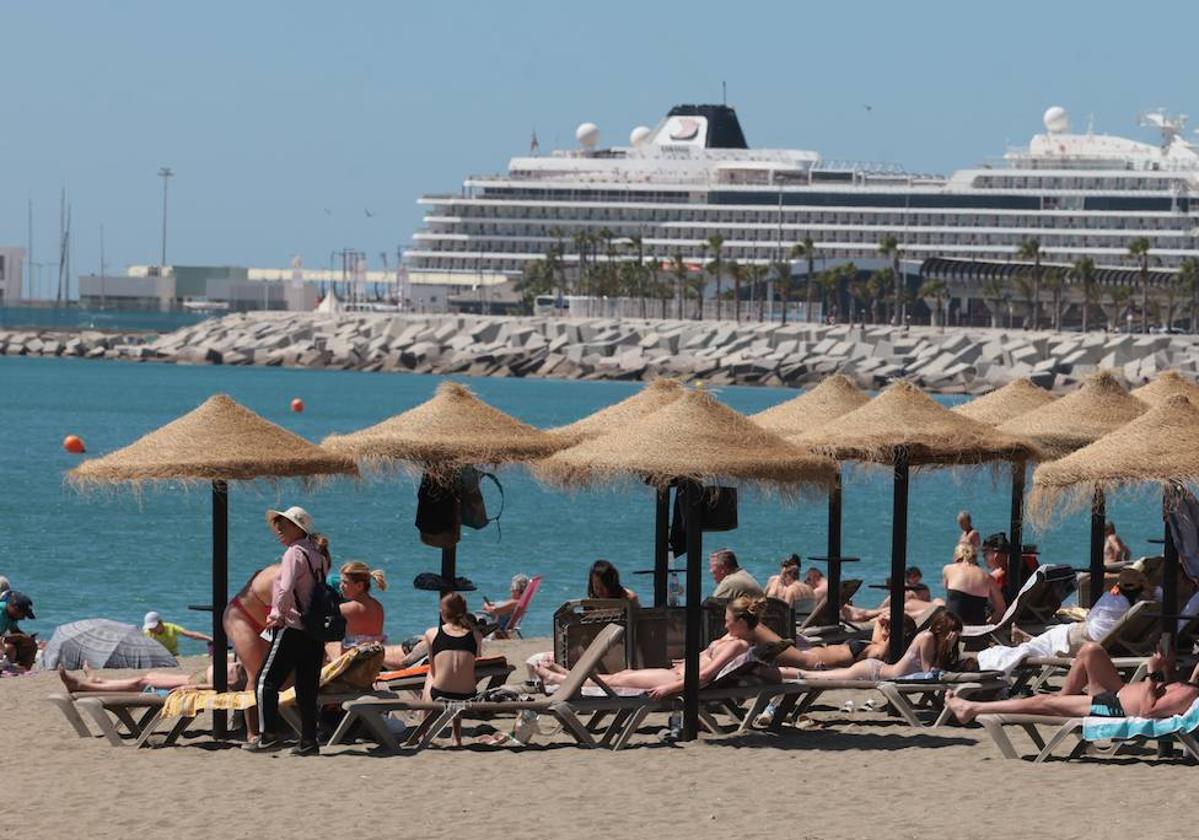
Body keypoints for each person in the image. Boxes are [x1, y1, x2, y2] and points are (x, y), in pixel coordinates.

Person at [533, 595, 767, 699]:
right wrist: (685, 662)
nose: (724, 622)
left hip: (675, 682)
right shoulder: (731, 638)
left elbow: (706, 674)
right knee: (622, 675)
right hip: (676, 674)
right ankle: (569, 676)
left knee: (619, 681)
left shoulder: (737, 645)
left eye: (728, 619)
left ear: (742, 623)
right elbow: (703, 660)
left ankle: (559, 680)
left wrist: (670, 690)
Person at [247, 506, 328, 756]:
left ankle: (268, 735)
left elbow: (285, 587)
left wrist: (276, 615)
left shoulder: (294, 553)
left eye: (284, 525)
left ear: (298, 528)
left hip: (292, 625)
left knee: (264, 681)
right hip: (314, 630)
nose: (279, 529)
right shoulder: (319, 554)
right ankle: (308, 740)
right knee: (307, 688)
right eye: (278, 525)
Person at [948, 642, 1199, 723]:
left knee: (1041, 702)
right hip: (1119, 691)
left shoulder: (1189, 695)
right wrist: (1167, 670)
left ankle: (972, 709)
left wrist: (1152, 673)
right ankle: (1063, 697)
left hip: (1112, 707)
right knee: (1091, 650)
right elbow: (1164, 695)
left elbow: (1148, 711)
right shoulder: (1189, 687)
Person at [980, 568, 1151, 672]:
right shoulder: (1131, 605)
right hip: (1093, 638)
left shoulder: (1112, 599)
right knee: (1050, 639)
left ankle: (1026, 640)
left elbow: (1092, 619)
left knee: (1050, 639)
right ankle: (1027, 639)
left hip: (1084, 638)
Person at [782, 611, 964, 682]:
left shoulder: (934, 641)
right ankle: (780, 672)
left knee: (818, 674)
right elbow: (928, 673)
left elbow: (933, 672)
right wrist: (947, 646)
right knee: (811, 675)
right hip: (874, 671)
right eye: (954, 632)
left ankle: (782, 671)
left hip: (877, 668)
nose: (955, 636)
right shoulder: (927, 637)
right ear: (945, 629)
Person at [222, 561, 282, 740]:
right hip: (241, 617)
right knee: (255, 675)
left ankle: (277, 723)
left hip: (263, 621)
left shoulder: (303, 577)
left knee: (274, 673)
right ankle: (252, 731)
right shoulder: (280, 576)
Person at [422, 592, 483, 746]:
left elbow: (434, 669)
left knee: (430, 673)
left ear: (442, 613)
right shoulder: (476, 635)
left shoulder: (432, 633)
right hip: (468, 695)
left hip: (440, 694)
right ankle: (457, 737)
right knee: (460, 674)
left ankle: (424, 731)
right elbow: (476, 660)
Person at [58, 660, 246, 694]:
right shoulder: (252, 660)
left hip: (196, 682)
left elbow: (225, 687)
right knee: (149, 675)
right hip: (196, 676)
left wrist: (193, 688)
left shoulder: (251, 675)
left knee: (143, 682)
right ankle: (100, 681)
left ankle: (83, 687)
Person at [942, 543, 1005, 625]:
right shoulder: (988, 577)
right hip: (977, 628)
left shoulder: (948, 569)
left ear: (956, 557)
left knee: (937, 602)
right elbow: (1001, 609)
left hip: (952, 627)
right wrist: (987, 624)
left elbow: (948, 593)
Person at [336, 561, 387, 654]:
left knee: (327, 642)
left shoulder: (346, 609)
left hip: (353, 659)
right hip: (374, 657)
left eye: (345, 583)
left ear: (359, 586)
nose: (341, 586)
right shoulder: (378, 606)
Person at [142, 611, 212, 656]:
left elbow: (191, 634)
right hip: (157, 656)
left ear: (161, 622)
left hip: (173, 655)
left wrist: (209, 638)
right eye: (150, 628)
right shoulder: (147, 632)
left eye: (153, 627)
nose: (151, 630)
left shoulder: (171, 627)